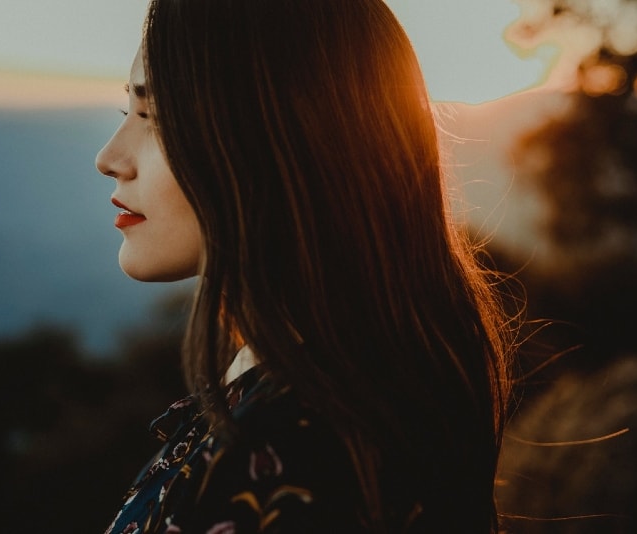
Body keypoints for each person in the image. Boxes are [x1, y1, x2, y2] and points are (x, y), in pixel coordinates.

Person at [95, 0, 512, 532]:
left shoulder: (289, 450)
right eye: (126, 113)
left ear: (281, 140)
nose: (109, 157)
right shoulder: (354, 386)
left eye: (155, 118)